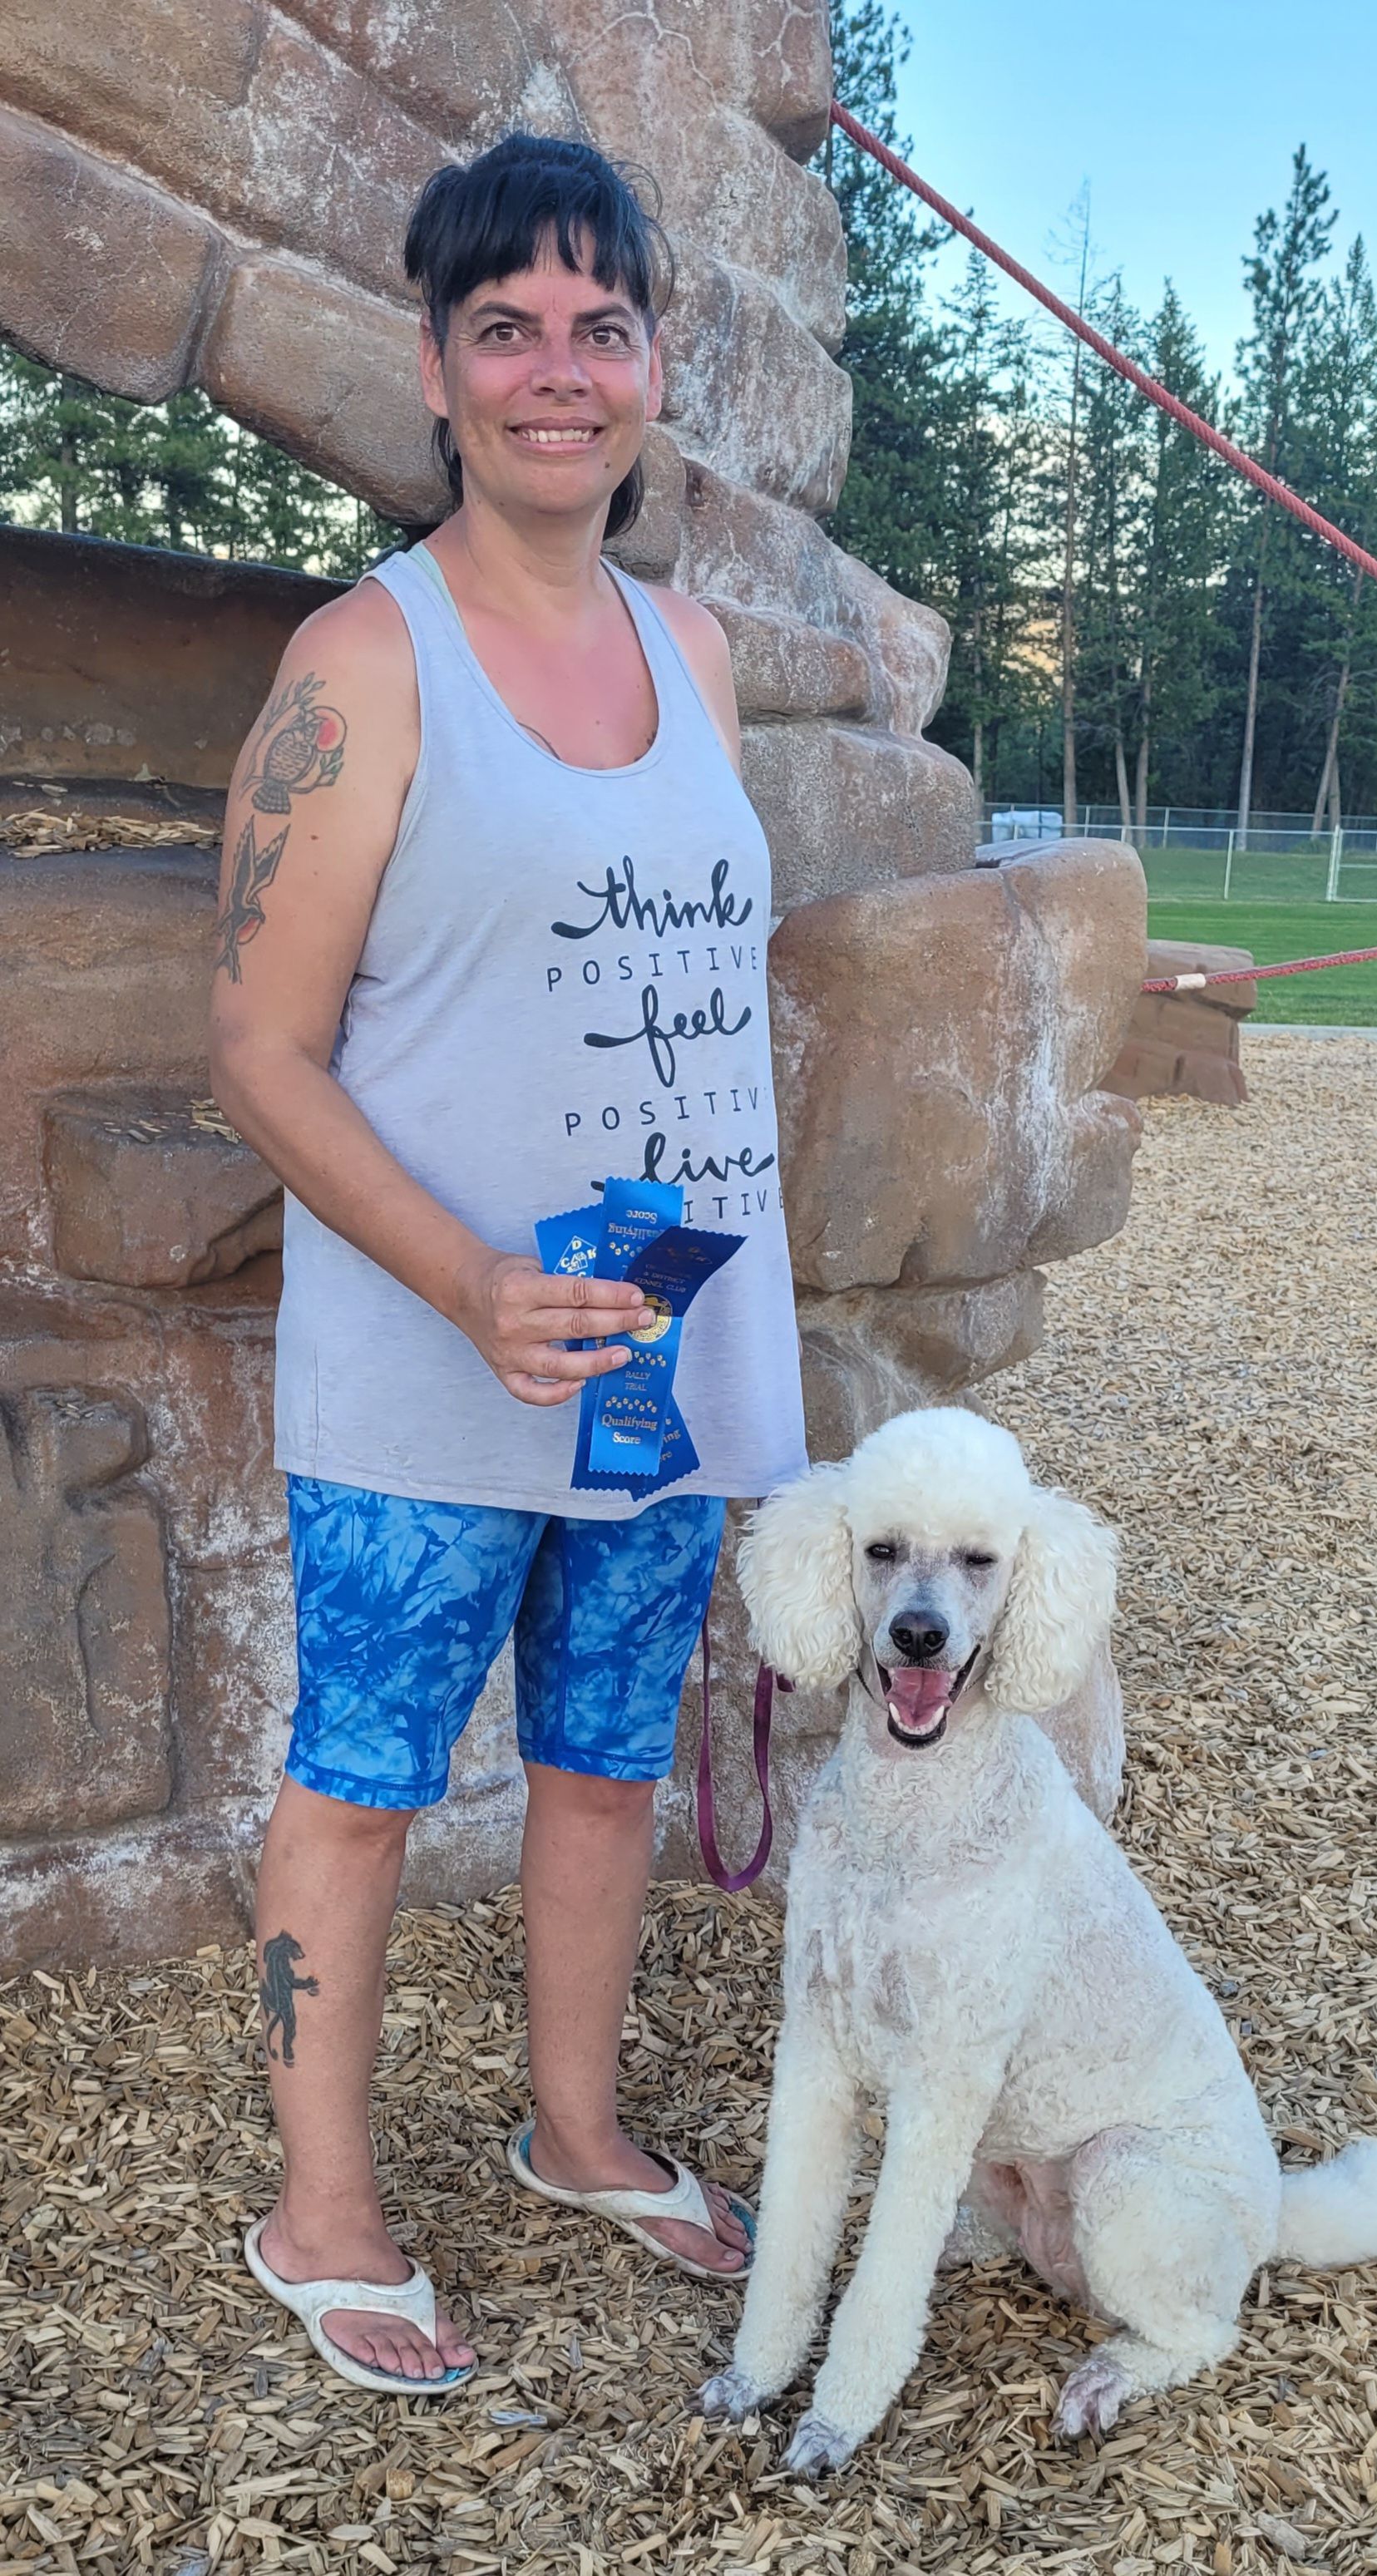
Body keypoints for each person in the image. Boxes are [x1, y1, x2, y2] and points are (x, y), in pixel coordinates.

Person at [209, 131, 807, 2396]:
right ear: (441, 374)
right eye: (508, 330)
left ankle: (575, 2130)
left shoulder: (703, 653)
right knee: (363, 1765)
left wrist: (727, 1331)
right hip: (431, 1352)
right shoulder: (363, 661)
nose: (561, 370)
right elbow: (254, 1049)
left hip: (650, 1340)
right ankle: (322, 2203)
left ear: (653, 366)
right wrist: (467, 1281)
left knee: (597, 1757)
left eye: (602, 325)